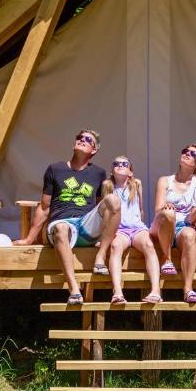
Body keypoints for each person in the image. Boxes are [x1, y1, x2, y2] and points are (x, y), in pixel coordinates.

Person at [14, 129, 120, 305]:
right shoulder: (55, 169)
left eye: (88, 139)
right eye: (79, 138)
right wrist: (29, 238)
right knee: (61, 228)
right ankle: (74, 289)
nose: (82, 140)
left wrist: (104, 238)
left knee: (113, 200)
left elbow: (103, 206)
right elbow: (45, 206)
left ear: (94, 150)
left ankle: (100, 258)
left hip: (85, 225)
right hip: (61, 224)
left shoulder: (99, 173)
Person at [100, 156, 163, 304]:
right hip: (118, 229)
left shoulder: (136, 184)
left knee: (149, 245)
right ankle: (117, 291)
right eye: (116, 163)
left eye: (124, 164)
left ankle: (155, 290)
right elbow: (104, 212)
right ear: (112, 170)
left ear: (130, 171)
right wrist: (103, 236)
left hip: (136, 227)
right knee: (115, 246)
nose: (120, 165)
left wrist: (142, 226)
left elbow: (140, 209)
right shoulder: (107, 185)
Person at [150, 143, 196, 303]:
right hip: (163, 224)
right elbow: (157, 210)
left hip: (184, 226)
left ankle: (188, 289)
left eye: (192, 153)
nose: (187, 154)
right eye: (185, 151)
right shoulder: (165, 180)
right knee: (168, 213)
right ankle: (167, 259)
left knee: (189, 235)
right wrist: (166, 207)